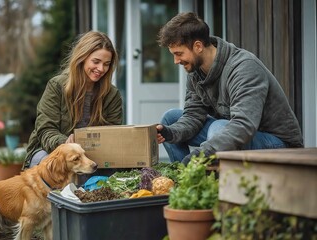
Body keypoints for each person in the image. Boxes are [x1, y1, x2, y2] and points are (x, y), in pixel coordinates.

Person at [156, 12, 303, 165]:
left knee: (219, 128)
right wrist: (170, 133)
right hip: (234, 131)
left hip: (278, 143)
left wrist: (200, 155)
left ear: (198, 46)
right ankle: (186, 180)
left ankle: (215, 184)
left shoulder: (244, 68)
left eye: (179, 54)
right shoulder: (196, 71)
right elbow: (193, 116)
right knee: (171, 119)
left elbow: (243, 126)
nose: (175, 61)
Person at [23, 31, 123, 169]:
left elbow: (113, 133)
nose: (101, 69)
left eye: (106, 64)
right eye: (96, 61)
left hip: (95, 156)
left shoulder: (112, 95)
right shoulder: (57, 86)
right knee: (57, 167)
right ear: (82, 58)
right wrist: (66, 145)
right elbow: (45, 129)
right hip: (51, 152)